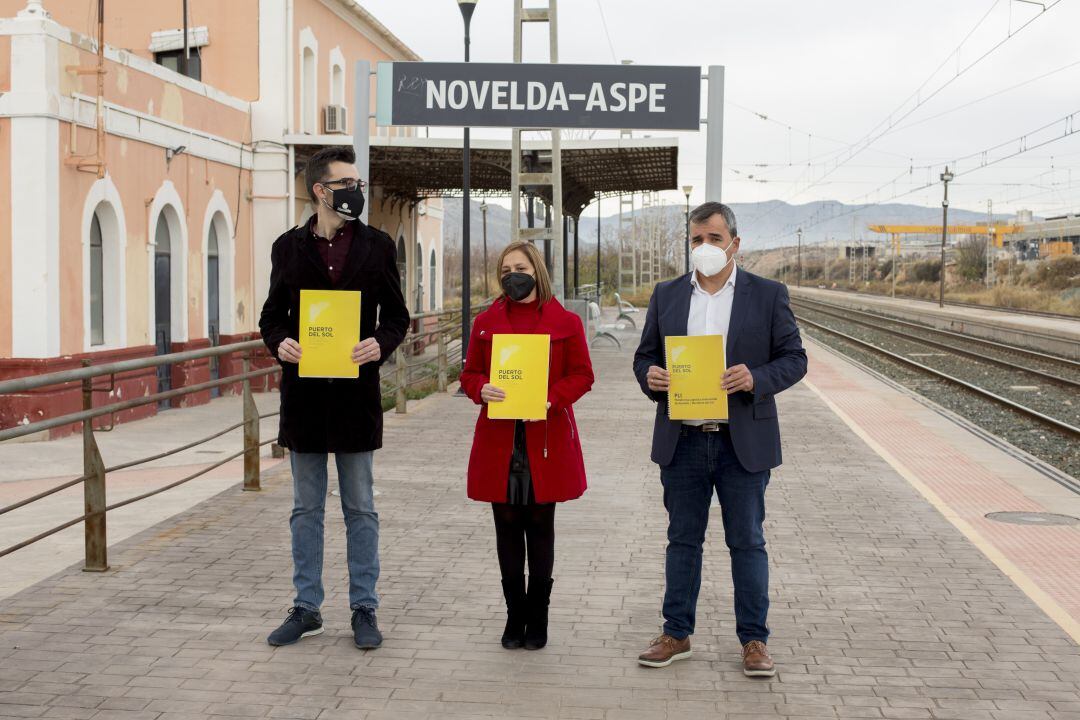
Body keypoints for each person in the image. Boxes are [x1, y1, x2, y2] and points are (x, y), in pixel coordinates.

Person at [631, 202, 806, 676]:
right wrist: (651, 376)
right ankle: (676, 633)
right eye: (695, 240)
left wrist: (756, 377)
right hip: (683, 440)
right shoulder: (667, 295)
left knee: (747, 543)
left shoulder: (767, 295)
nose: (703, 247)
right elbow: (643, 356)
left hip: (740, 442)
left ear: (734, 243)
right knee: (681, 541)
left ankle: (754, 641)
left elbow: (795, 359)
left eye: (713, 237)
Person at [259, 145, 410, 650]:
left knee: (360, 507)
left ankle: (364, 607)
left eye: (359, 184)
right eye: (348, 183)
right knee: (305, 509)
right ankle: (306, 607)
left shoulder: (378, 246)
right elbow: (270, 316)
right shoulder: (287, 247)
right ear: (321, 190)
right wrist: (280, 341)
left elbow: (396, 317)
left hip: (354, 398)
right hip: (303, 399)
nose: (356, 192)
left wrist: (379, 344)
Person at [459, 241, 594, 650]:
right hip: (501, 438)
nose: (511, 275)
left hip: (545, 436)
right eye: (505, 269)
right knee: (506, 524)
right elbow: (469, 374)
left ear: (536, 270)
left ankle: (539, 615)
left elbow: (583, 375)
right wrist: (481, 389)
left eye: (519, 267)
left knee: (539, 523)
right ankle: (513, 614)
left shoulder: (566, 321)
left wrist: (551, 398)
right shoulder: (485, 322)